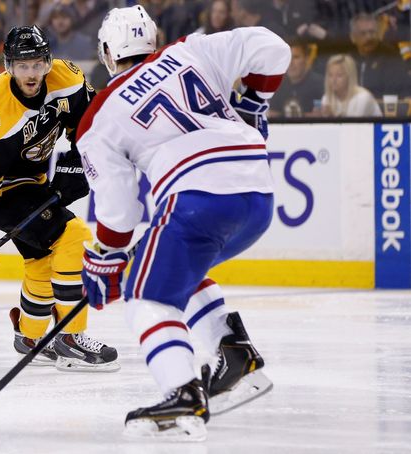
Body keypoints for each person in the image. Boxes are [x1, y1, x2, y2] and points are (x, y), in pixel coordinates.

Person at [76, 5, 289, 440]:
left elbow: (118, 211)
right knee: (178, 270)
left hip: (198, 198)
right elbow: (274, 48)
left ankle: (181, 393)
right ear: (151, 39)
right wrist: (253, 102)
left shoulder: (98, 116)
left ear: (107, 52)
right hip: (258, 193)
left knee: (142, 292)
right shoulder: (191, 50)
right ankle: (234, 356)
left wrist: (107, 259)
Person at [0, 25, 118, 371]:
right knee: (73, 237)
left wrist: (77, 160)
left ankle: (29, 336)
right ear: (8, 67)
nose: (31, 73)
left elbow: (89, 125)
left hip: (34, 180)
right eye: (22, 65)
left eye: (36, 64)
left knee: (42, 258)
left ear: (47, 62)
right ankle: (70, 337)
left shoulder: (67, 78)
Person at [269, 39, 323, 117]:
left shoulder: (320, 84)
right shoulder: (277, 84)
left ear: (307, 59)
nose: (291, 63)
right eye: (288, 57)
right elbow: (273, 115)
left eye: (296, 57)